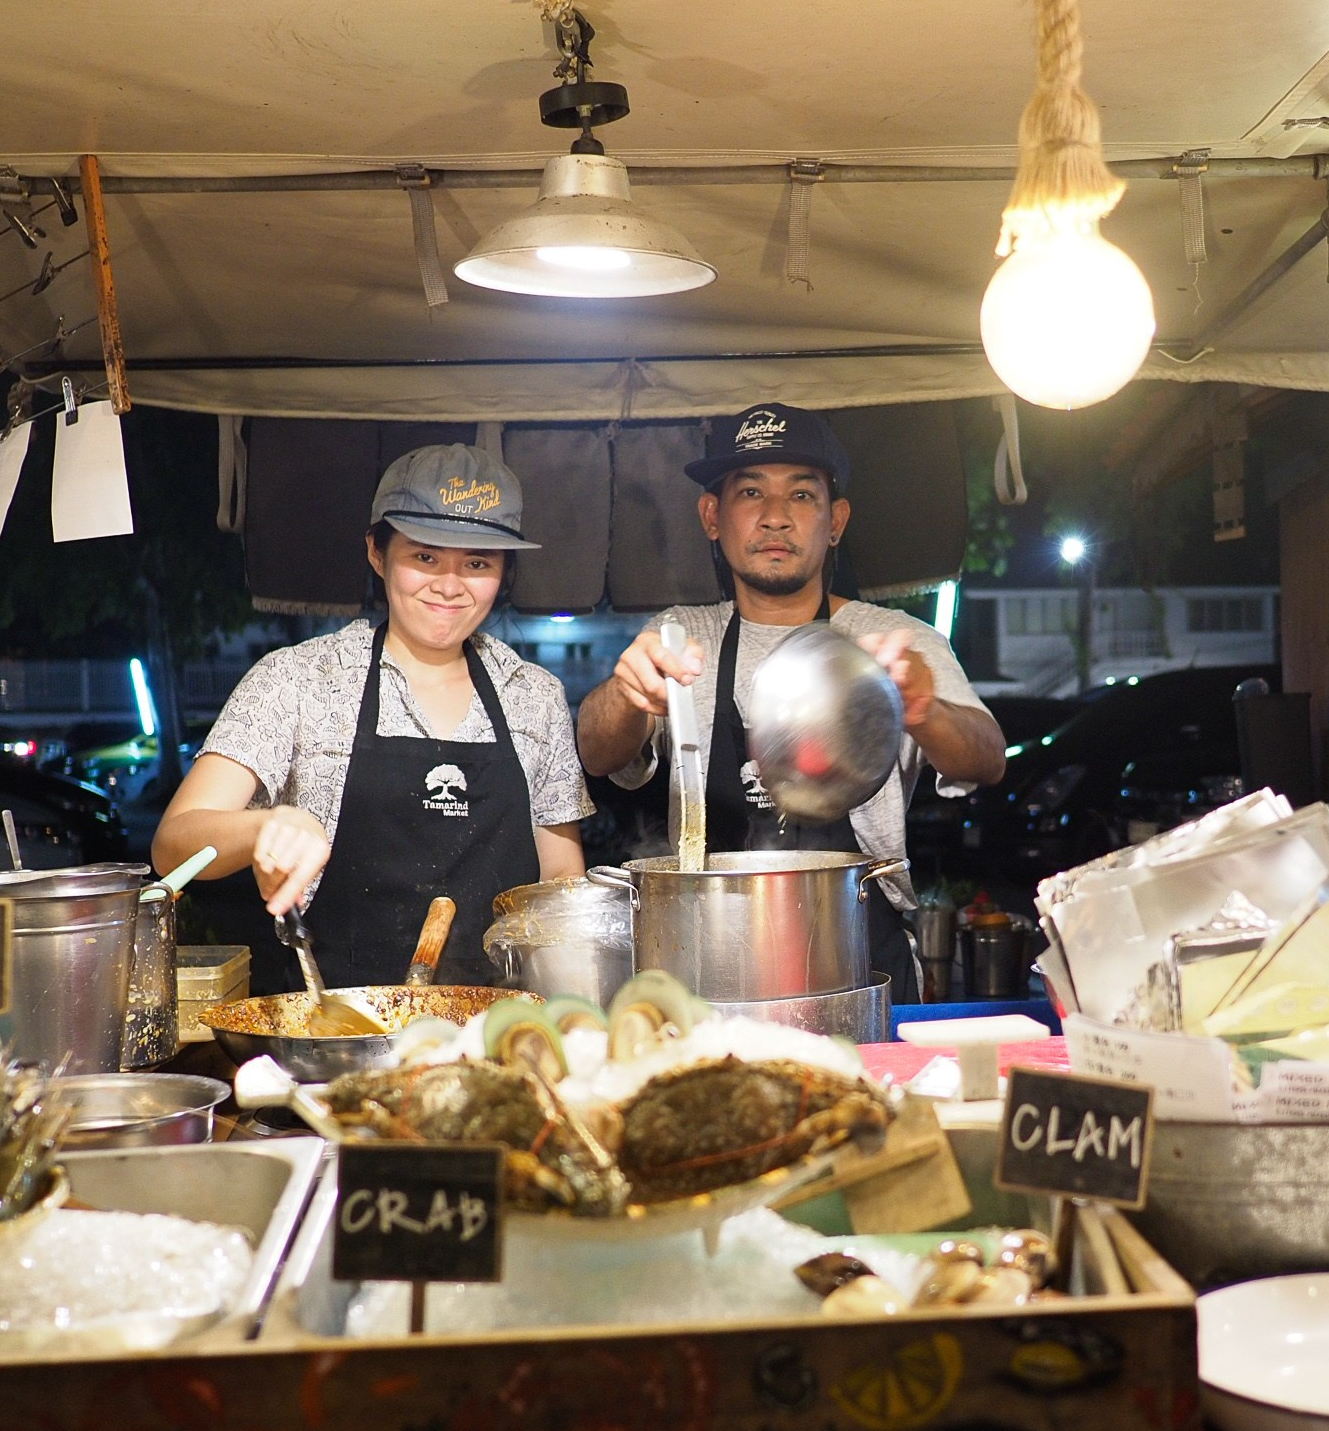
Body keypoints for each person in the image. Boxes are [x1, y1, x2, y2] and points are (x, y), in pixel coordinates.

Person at [575, 402, 1006, 1000]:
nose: (776, 517)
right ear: (712, 516)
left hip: (858, 952)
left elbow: (987, 760)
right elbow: (596, 755)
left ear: (836, 521)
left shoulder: (895, 641)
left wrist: (924, 710)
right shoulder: (676, 636)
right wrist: (626, 696)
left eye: (802, 496)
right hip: (706, 956)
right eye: (750, 492)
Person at [154, 443, 590, 986]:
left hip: (498, 1030)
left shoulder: (535, 695)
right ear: (376, 553)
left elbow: (560, 882)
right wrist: (263, 826)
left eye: (477, 562)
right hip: (341, 1029)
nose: (450, 586)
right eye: (425, 556)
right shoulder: (297, 680)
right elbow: (175, 844)